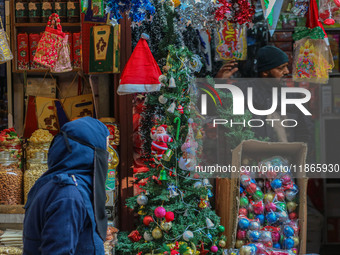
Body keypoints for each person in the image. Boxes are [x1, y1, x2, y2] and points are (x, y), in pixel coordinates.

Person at [23, 117, 110, 255]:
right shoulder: (68, 194)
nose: (107, 158)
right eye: (104, 150)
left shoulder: (57, 184)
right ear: (88, 153)